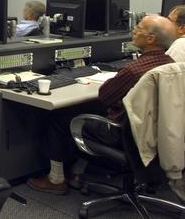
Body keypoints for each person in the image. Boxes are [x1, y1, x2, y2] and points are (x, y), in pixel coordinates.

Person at [27, 14, 175, 194]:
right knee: (88, 109)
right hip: (155, 134)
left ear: (151, 39)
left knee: (60, 117)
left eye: (139, 28)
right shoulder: (171, 65)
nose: (133, 30)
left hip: (123, 136)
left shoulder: (134, 70)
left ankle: (56, 179)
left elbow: (105, 96)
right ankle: (76, 173)